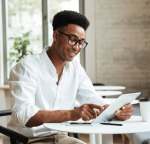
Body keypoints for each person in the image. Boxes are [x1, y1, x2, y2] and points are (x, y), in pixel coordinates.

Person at [3, 10, 133, 144]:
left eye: (81, 42)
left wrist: (115, 110)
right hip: (27, 140)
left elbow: (91, 97)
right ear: (56, 36)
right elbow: (23, 115)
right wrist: (71, 114)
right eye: (73, 39)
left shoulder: (75, 69)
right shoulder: (27, 67)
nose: (77, 47)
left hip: (60, 138)